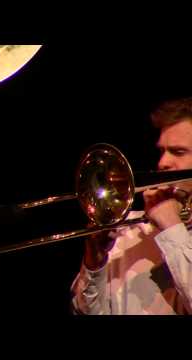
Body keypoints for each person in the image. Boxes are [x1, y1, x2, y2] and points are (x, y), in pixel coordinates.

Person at [71, 96, 192, 315]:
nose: (163, 162)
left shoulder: (170, 226)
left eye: (178, 152)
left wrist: (172, 226)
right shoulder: (127, 228)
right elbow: (87, 312)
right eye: (162, 151)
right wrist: (94, 264)